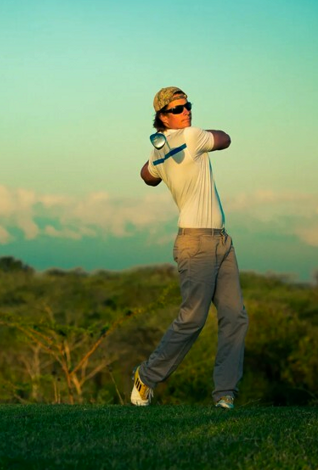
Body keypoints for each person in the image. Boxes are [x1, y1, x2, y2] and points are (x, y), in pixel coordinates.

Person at [131, 86, 249, 410]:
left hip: (221, 241)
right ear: (163, 117)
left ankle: (225, 394)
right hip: (195, 243)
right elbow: (225, 138)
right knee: (193, 318)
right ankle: (146, 375)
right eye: (179, 109)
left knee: (235, 316)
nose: (187, 112)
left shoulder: (161, 149)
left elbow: (146, 176)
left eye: (188, 106)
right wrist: (186, 139)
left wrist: (162, 154)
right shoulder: (194, 136)